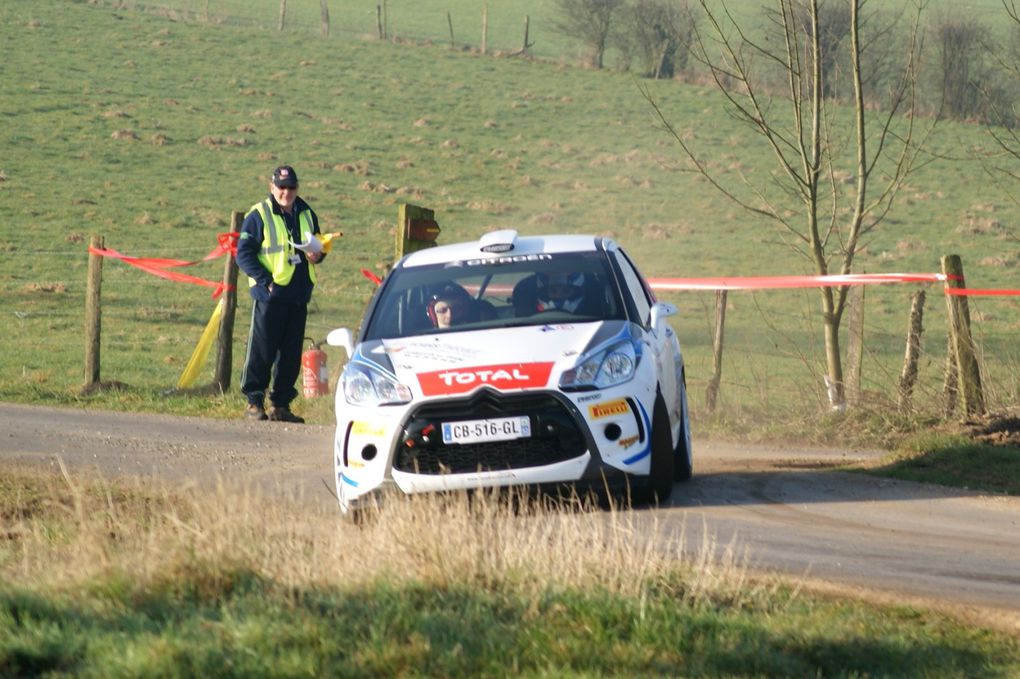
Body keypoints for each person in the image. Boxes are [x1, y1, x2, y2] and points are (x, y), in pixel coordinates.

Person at [235, 165, 326, 422]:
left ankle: (281, 405)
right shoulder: (258, 214)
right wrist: (265, 282)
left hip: (298, 293)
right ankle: (254, 402)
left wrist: (318, 254)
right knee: (262, 351)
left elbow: (318, 246)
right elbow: (243, 254)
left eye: (291, 187)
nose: (286, 192)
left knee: (290, 355)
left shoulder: (307, 212)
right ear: (272, 187)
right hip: (270, 296)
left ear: (297, 188)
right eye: (282, 187)